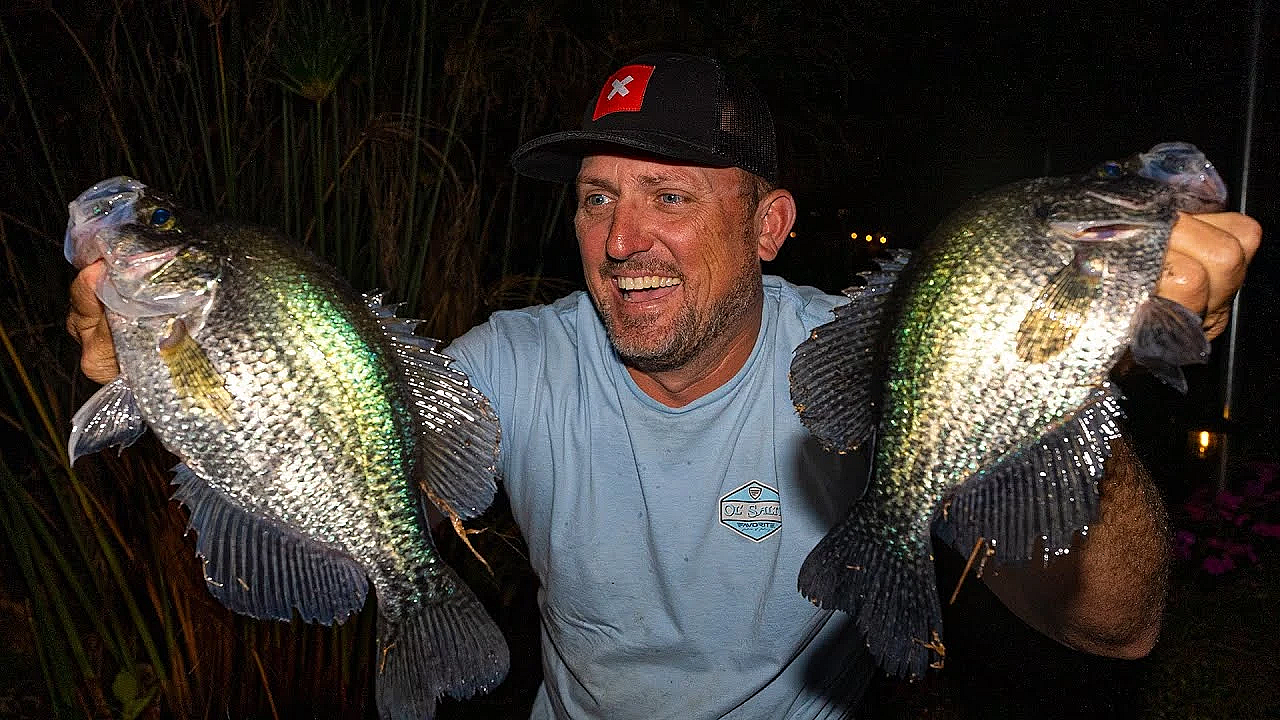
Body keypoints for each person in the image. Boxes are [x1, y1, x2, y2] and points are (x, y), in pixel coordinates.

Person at [68, 53, 1261, 719]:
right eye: (595, 196)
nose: (621, 237)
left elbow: (1117, 629)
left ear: (771, 226)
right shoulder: (513, 363)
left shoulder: (875, 358)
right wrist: (199, 382)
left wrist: (1057, 365)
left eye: (672, 197)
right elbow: (344, 459)